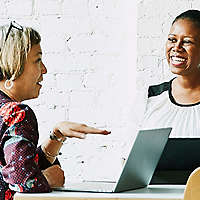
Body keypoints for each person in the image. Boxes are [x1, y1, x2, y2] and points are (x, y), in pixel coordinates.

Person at [0, 22, 110, 200]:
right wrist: (48, 180)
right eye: (37, 60)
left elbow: (21, 167)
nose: (44, 70)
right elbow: (24, 184)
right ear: (14, 63)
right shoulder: (16, 113)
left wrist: (57, 135)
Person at [135, 9, 200, 137]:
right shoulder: (150, 97)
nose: (176, 47)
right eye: (172, 39)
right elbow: (131, 152)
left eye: (187, 41)